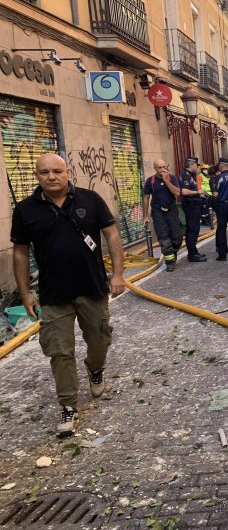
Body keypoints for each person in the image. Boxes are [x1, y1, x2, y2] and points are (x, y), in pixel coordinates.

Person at [10, 154, 125, 436]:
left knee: (99, 341)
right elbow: (20, 252)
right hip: (53, 295)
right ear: (36, 176)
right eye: (45, 172)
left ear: (68, 172)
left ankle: (95, 369)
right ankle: (68, 406)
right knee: (60, 353)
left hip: (92, 287)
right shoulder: (25, 210)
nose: (51, 177)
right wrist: (25, 293)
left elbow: (111, 235)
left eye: (57, 171)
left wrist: (118, 274)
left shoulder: (90, 199)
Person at [143, 158, 183, 272]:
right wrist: (145, 215)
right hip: (157, 212)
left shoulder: (172, 178)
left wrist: (166, 181)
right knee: (164, 238)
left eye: (164, 167)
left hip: (171, 210)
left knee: (177, 238)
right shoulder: (150, 181)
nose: (162, 170)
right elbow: (146, 197)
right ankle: (170, 262)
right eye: (159, 168)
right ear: (155, 168)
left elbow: (177, 193)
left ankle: (173, 252)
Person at [179, 157, 207, 263]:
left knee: (194, 230)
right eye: (196, 165)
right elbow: (184, 191)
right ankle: (192, 254)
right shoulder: (185, 175)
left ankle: (194, 251)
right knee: (192, 230)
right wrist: (197, 193)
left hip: (194, 205)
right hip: (190, 206)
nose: (197, 167)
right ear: (191, 165)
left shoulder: (191, 175)